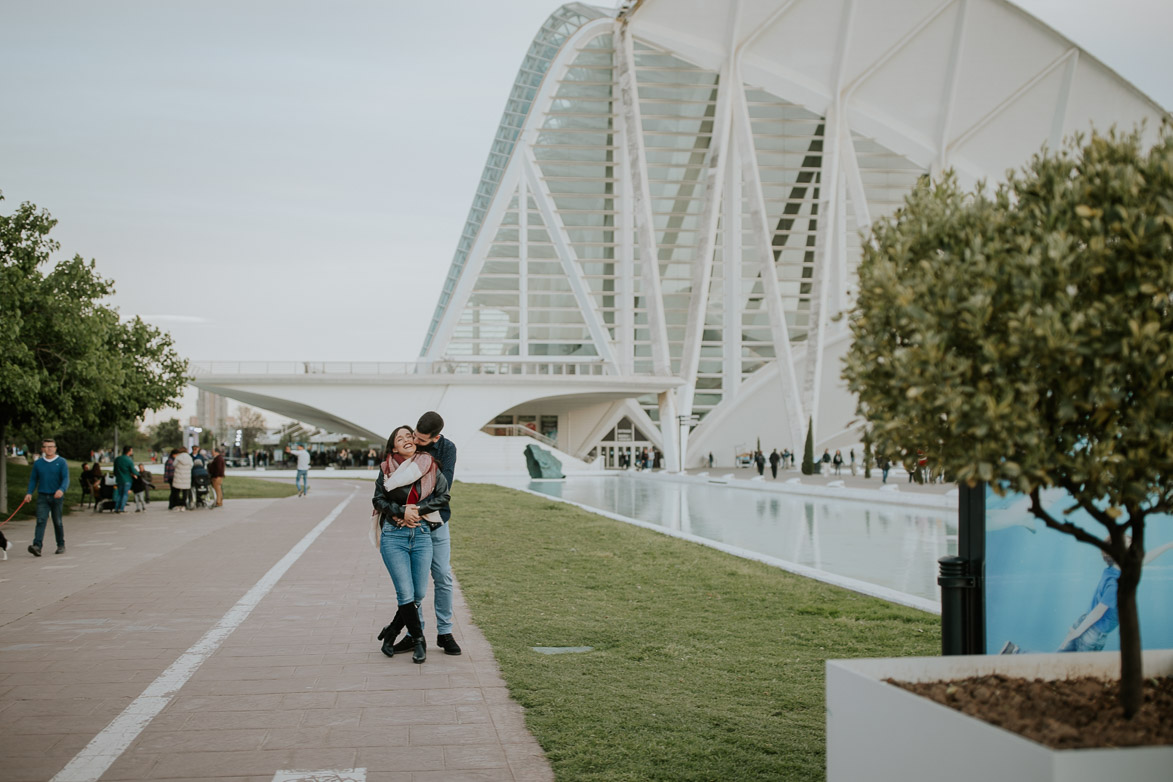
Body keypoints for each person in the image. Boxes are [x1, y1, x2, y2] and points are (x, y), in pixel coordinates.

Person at [1001, 538, 1173, 654]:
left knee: (1056, 662)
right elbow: (1099, 612)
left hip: (1084, 623)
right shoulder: (1117, 583)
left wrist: (1169, 545)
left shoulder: (1112, 571)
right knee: (1074, 671)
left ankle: (1015, 652)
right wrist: (1075, 634)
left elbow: (1143, 559)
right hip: (1093, 632)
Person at [372, 424, 451, 664]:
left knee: (419, 593)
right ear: (393, 446)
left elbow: (443, 496)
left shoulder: (429, 465)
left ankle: (392, 631)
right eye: (400, 438)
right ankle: (419, 640)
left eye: (409, 435)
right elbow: (378, 499)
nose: (406, 439)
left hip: (422, 534)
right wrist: (400, 511)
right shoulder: (386, 469)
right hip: (394, 536)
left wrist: (416, 510)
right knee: (405, 592)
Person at [388, 411, 462, 657]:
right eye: (414, 437)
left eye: (421, 439)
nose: (415, 442)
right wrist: (403, 511)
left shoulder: (447, 449)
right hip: (411, 525)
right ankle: (413, 633)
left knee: (442, 575)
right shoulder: (406, 447)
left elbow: (444, 488)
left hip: (436, 521)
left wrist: (415, 509)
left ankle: (445, 632)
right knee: (412, 584)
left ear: (436, 437)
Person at [25, 438, 70, 556]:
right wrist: (29, 492)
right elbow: (34, 479)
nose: (48, 449)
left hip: (56, 496)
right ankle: (37, 546)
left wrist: (61, 489)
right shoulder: (38, 463)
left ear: (55, 448)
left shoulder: (61, 462)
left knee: (57, 521)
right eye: (46, 447)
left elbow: (66, 478)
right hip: (43, 496)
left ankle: (60, 544)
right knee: (40, 521)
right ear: (42, 449)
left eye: (51, 446)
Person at [112, 445, 141, 514]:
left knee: (119, 494)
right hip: (127, 479)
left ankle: (116, 508)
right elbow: (133, 470)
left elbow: (115, 471)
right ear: (129, 451)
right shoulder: (129, 460)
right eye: (131, 450)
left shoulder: (117, 459)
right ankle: (122, 509)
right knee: (125, 494)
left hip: (119, 479)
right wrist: (138, 475)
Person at [170, 446, 193, 511]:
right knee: (185, 492)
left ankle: (177, 505)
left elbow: (174, 464)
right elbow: (191, 465)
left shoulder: (178, 457)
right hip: (186, 478)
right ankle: (183, 506)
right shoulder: (189, 457)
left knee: (177, 492)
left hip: (178, 477)